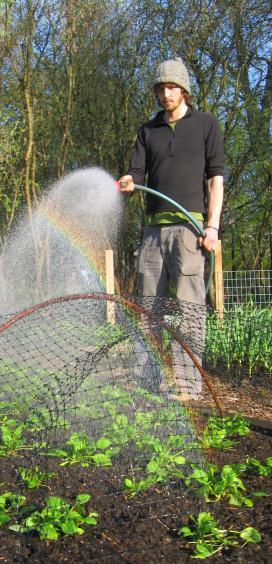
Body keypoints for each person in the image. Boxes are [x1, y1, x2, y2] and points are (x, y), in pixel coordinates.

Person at [118, 57, 224, 397]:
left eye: (173, 87)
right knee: (147, 307)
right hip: (153, 234)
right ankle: (146, 381)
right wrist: (129, 180)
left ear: (184, 90)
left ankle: (190, 386)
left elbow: (215, 180)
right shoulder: (147, 131)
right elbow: (138, 172)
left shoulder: (205, 125)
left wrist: (212, 227)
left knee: (190, 310)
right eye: (161, 88)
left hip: (190, 232)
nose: (167, 93)